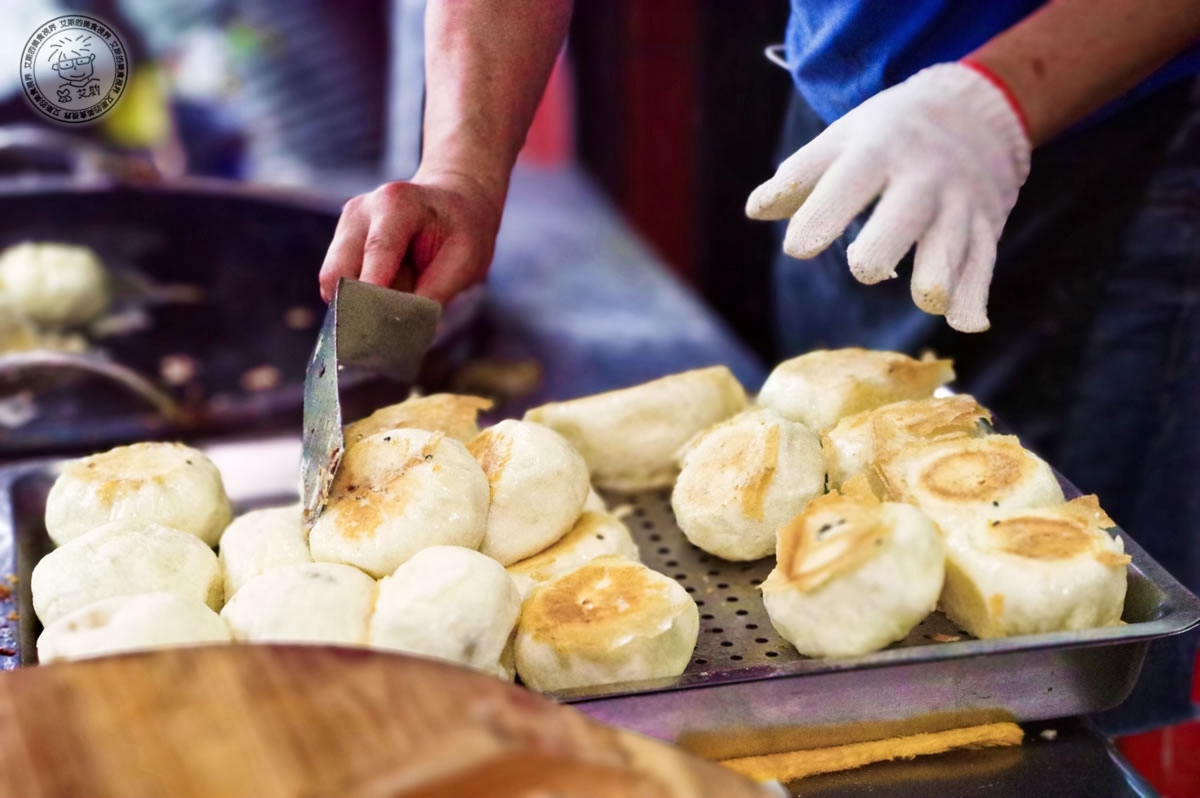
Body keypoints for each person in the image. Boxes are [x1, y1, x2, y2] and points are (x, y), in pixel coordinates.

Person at [320, 0, 1200, 732]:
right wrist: (462, 166)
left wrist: (998, 102)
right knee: (831, 444)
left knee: (1066, 655)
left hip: (1108, 121)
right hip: (848, 107)